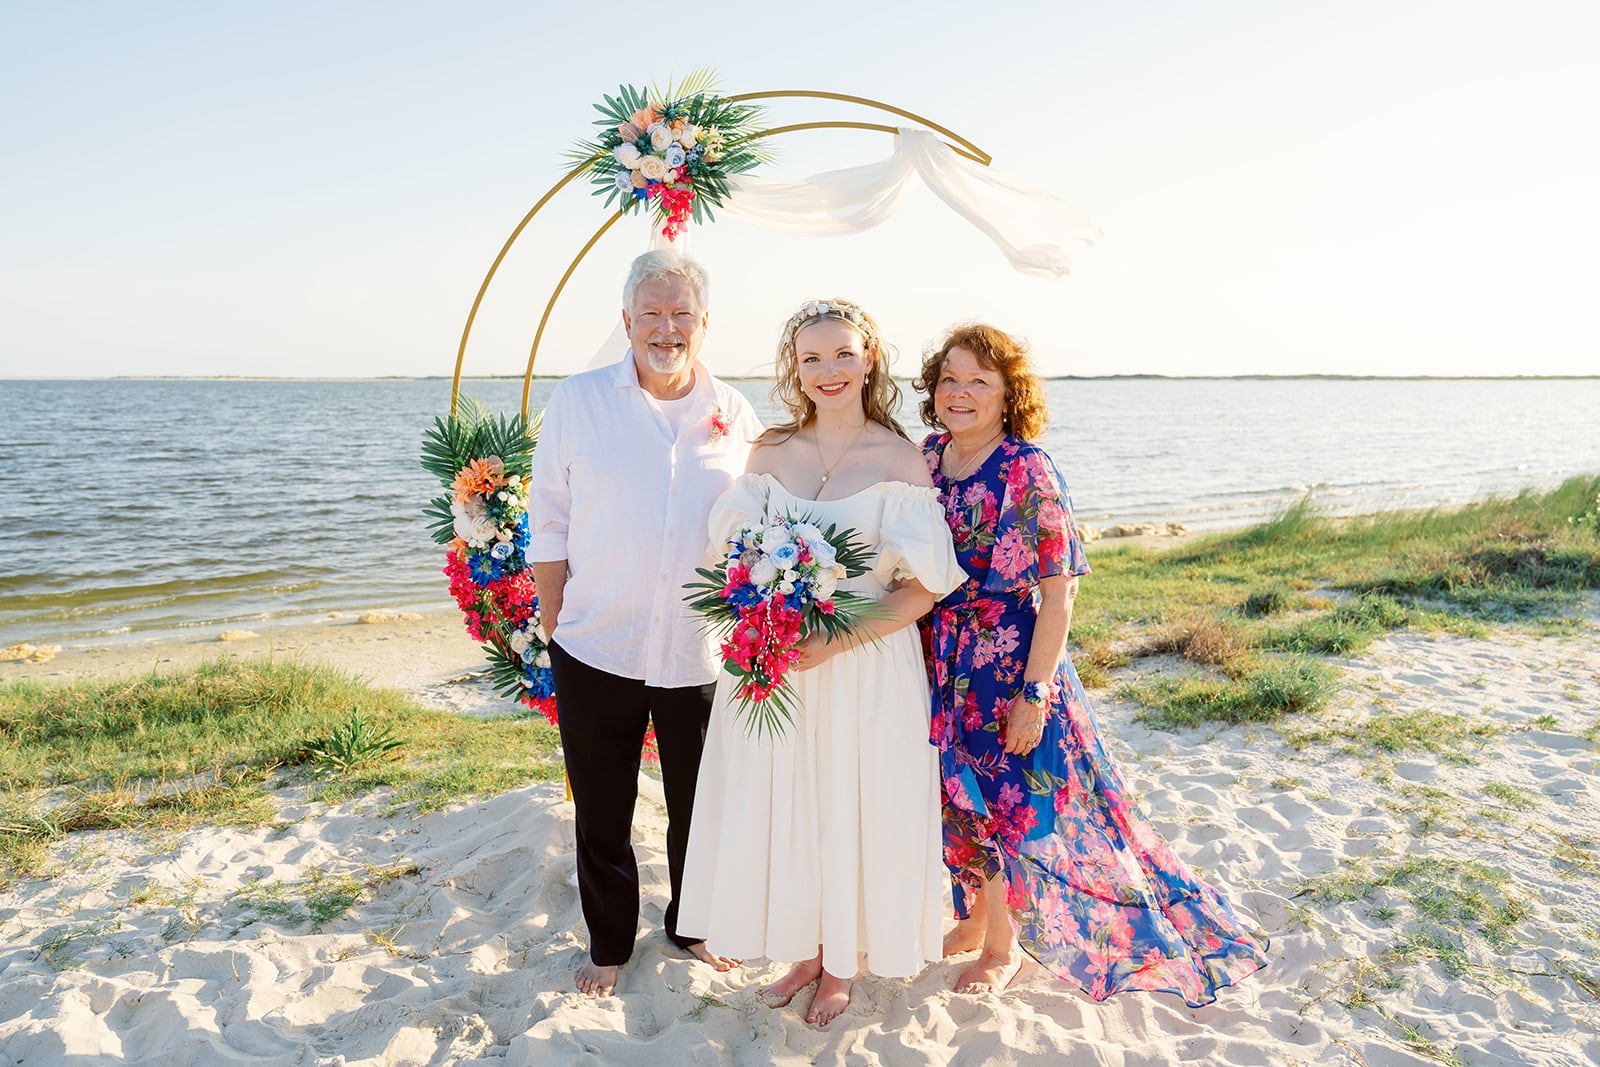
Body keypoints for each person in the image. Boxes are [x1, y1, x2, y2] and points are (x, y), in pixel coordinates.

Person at [915, 324, 1269, 1006]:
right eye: (949, 378)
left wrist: (1035, 692)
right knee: (956, 798)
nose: (960, 392)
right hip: (941, 656)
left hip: (1006, 664)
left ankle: (1003, 949)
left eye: (979, 381)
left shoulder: (1026, 468)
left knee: (1005, 804)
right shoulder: (930, 457)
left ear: (1008, 394)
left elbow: (1060, 593)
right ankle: (976, 918)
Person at [678, 299, 965, 1027]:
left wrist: (833, 641)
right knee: (792, 808)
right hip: (778, 664)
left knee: (852, 808)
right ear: (795, 370)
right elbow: (733, 560)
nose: (828, 370)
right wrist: (763, 620)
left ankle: (843, 964)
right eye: (812, 358)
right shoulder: (770, 452)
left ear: (869, 360)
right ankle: (805, 952)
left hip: (863, 663)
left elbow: (921, 590)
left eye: (843, 354)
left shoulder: (900, 459)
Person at [527, 249, 763, 997]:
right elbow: (548, 518)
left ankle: (692, 925)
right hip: (597, 643)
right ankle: (608, 943)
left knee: (701, 804)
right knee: (602, 808)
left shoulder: (736, 413)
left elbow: (761, 524)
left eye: (681, 314)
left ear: (704, 323)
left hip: (701, 650)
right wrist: (555, 617)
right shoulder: (578, 402)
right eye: (652, 313)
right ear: (626, 320)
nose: (667, 329)